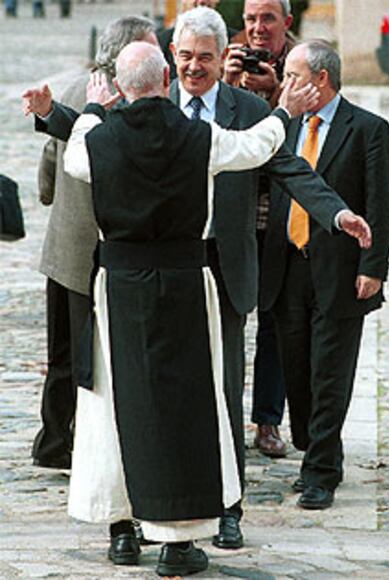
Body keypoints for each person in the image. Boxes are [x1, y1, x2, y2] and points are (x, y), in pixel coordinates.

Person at [23, 40, 321, 577]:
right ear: (165, 80)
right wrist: (285, 111)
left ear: (121, 88)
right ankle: (179, 543)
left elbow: (74, 158)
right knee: (189, 410)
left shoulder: (99, 136)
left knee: (115, 407)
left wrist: (93, 108)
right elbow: (255, 147)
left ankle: (122, 532)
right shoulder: (198, 135)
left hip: (119, 288)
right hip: (186, 284)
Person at [168, 6, 371, 549]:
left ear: (219, 57)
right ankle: (165, 502)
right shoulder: (155, 105)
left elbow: (287, 166)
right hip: (165, 270)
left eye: (205, 58)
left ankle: (227, 506)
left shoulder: (246, 108)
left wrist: (335, 213)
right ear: (173, 57)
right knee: (169, 391)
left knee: (227, 388)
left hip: (227, 267)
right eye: (185, 57)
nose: (195, 68)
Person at [29, 15, 158, 566]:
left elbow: (46, 179)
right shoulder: (125, 102)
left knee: (65, 355)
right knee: (90, 359)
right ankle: (79, 448)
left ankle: (55, 444)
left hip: (66, 247)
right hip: (95, 251)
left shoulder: (75, 91)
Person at [261, 40, 389, 510]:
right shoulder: (284, 126)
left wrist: (373, 267)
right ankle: (315, 446)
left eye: (294, 76)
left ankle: (321, 471)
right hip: (287, 266)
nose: (286, 86)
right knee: (297, 371)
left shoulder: (368, 130)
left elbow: (382, 203)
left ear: (321, 79)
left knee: (330, 375)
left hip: (340, 271)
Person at [224, 0, 295, 463]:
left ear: (287, 22)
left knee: (275, 321)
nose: (257, 29)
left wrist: (275, 99)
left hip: (280, 218)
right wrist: (228, 86)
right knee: (226, 319)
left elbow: (310, 140)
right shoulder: (223, 58)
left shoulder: (303, 64)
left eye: (267, 18)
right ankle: (223, 416)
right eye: (250, 19)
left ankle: (267, 421)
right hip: (232, 214)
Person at [157, 0, 239, 81]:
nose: (202, 1)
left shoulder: (238, 42)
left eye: (205, 57)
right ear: (174, 52)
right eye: (186, 56)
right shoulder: (159, 44)